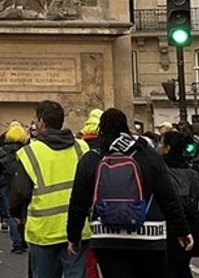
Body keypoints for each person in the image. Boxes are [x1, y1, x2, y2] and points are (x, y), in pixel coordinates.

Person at [67, 109, 193, 278]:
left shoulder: (92, 158)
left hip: (107, 237)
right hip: (149, 237)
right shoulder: (148, 155)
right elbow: (168, 197)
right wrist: (182, 231)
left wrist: (73, 236)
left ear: (101, 129)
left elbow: (78, 203)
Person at [14, 101, 88, 278]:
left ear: (41, 122)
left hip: (44, 231)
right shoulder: (81, 147)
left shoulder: (30, 152)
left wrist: (16, 216)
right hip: (77, 228)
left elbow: (21, 192)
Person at [161, 131, 199, 278]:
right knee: (183, 267)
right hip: (191, 226)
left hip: (168, 228)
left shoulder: (160, 171)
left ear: (167, 148)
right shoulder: (193, 173)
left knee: (169, 268)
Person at [0, 122, 28, 254]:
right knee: (24, 212)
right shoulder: (28, 150)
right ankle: (24, 239)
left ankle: (17, 242)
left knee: (11, 213)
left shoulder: (1, 151)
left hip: (6, 184)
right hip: (23, 184)